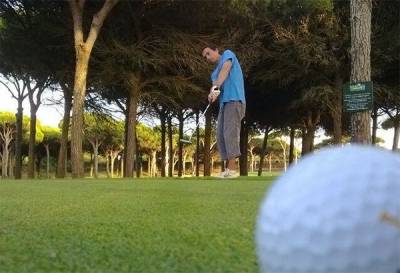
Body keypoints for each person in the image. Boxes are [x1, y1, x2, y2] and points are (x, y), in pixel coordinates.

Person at [202, 44, 246, 178]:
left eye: (208, 53)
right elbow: (214, 86)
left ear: (216, 50)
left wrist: (217, 86)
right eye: (205, 57)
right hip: (224, 104)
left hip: (235, 99)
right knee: (221, 135)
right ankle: (228, 169)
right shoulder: (214, 73)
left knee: (230, 133)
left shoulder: (227, 54)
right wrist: (211, 95)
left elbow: (225, 70)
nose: (207, 58)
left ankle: (232, 170)